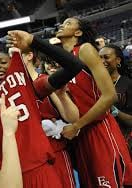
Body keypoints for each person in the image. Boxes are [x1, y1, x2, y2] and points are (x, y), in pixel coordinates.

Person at [0, 31, 84, 187]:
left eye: (3, 62)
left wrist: (34, 41)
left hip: (46, 159)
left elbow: (74, 65)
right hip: (12, 172)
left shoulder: (34, 85)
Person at [50, 17, 132, 187]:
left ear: (78, 32)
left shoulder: (84, 49)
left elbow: (110, 96)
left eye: (67, 24)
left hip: (99, 128)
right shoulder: (64, 61)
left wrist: (77, 125)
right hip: (81, 135)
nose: (61, 26)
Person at [99, 44, 132, 154]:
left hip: (125, 143)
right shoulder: (94, 85)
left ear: (118, 60)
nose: (102, 61)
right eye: (99, 58)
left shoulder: (127, 84)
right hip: (103, 143)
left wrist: (116, 112)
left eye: (106, 57)